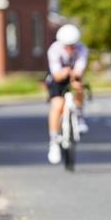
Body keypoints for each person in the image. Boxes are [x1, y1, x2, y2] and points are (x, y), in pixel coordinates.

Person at [46, 24, 89, 164]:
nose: (70, 49)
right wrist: (65, 73)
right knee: (57, 105)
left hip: (73, 75)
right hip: (57, 78)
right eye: (67, 46)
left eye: (72, 46)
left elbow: (79, 70)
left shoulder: (82, 49)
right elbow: (57, 75)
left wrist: (74, 77)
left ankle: (79, 116)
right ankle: (53, 141)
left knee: (79, 88)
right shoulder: (54, 50)